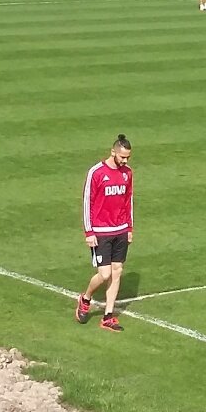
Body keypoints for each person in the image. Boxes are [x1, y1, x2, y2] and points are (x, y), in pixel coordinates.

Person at [76, 134, 135, 332]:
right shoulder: (97, 172)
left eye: (128, 157)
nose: (125, 161)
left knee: (117, 271)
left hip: (121, 229)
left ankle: (108, 316)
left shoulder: (127, 173)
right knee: (104, 273)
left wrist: (129, 228)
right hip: (101, 231)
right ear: (113, 152)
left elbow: (128, 201)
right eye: (122, 157)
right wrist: (89, 232)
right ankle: (86, 298)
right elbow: (87, 202)